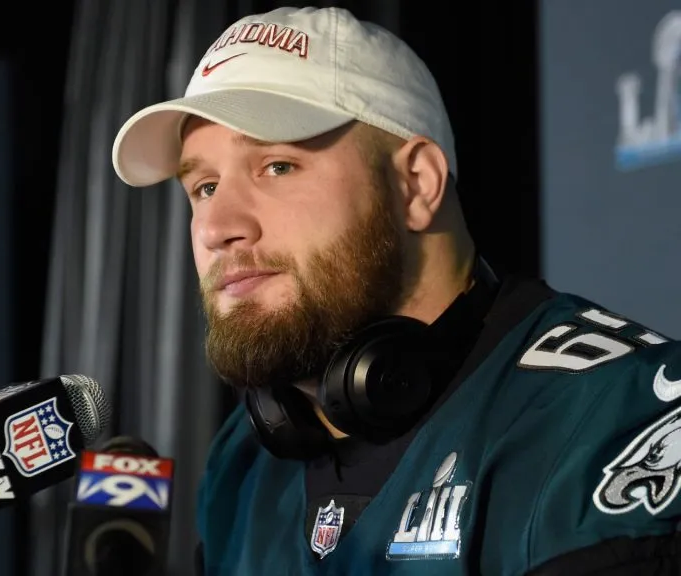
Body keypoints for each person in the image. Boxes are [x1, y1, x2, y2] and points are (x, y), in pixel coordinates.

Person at [110, 6, 681, 576]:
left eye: (277, 167)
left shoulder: (616, 420)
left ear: (415, 184)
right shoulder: (242, 465)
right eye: (204, 186)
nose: (216, 227)